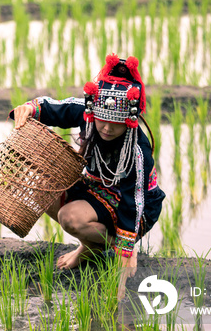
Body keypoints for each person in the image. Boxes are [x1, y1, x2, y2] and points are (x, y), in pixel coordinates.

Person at [11, 53, 166, 299]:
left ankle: (103, 245)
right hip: (97, 188)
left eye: (115, 124)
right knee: (44, 187)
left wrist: (125, 254)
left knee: (69, 217)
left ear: (130, 121)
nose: (106, 128)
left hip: (135, 207)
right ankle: (91, 246)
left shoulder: (137, 150)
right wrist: (30, 108)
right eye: (102, 121)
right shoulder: (88, 113)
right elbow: (55, 107)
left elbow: (132, 203)